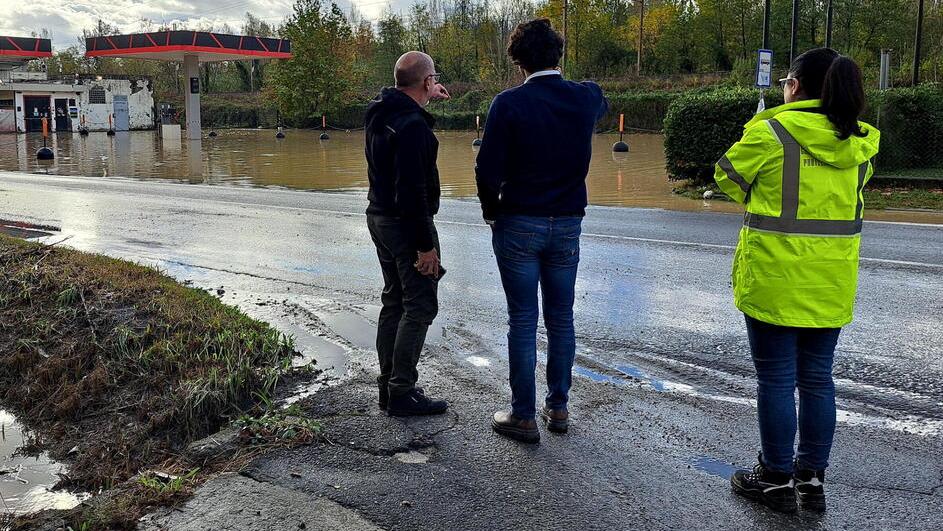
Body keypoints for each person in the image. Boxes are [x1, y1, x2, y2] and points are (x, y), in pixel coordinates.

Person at [714, 48, 880, 513]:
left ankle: (774, 479)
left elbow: (725, 177)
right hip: (830, 282)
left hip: (773, 279)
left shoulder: (772, 131)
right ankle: (811, 481)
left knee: (776, 380)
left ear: (797, 86)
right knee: (818, 380)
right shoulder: (861, 142)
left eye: (787, 80)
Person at [475, 19, 608, 443]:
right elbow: (595, 97)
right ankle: (559, 406)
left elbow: (487, 169)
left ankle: (523, 415)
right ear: (558, 55)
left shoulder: (508, 104)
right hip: (568, 221)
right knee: (561, 318)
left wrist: (492, 212)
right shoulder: (586, 97)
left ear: (517, 62)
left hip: (519, 221)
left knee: (523, 319)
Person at [365, 51, 451, 417]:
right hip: (406, 224)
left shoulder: (380, 111)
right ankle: (402, 390)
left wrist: (426, 92)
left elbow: (405, 94)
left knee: (394, 301)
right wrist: (425, 247)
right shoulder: (414, 127)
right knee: (420, 306)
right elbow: (413, 190)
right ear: (427, 81)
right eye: (433, 79)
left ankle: (388, 386)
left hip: (379, 217)